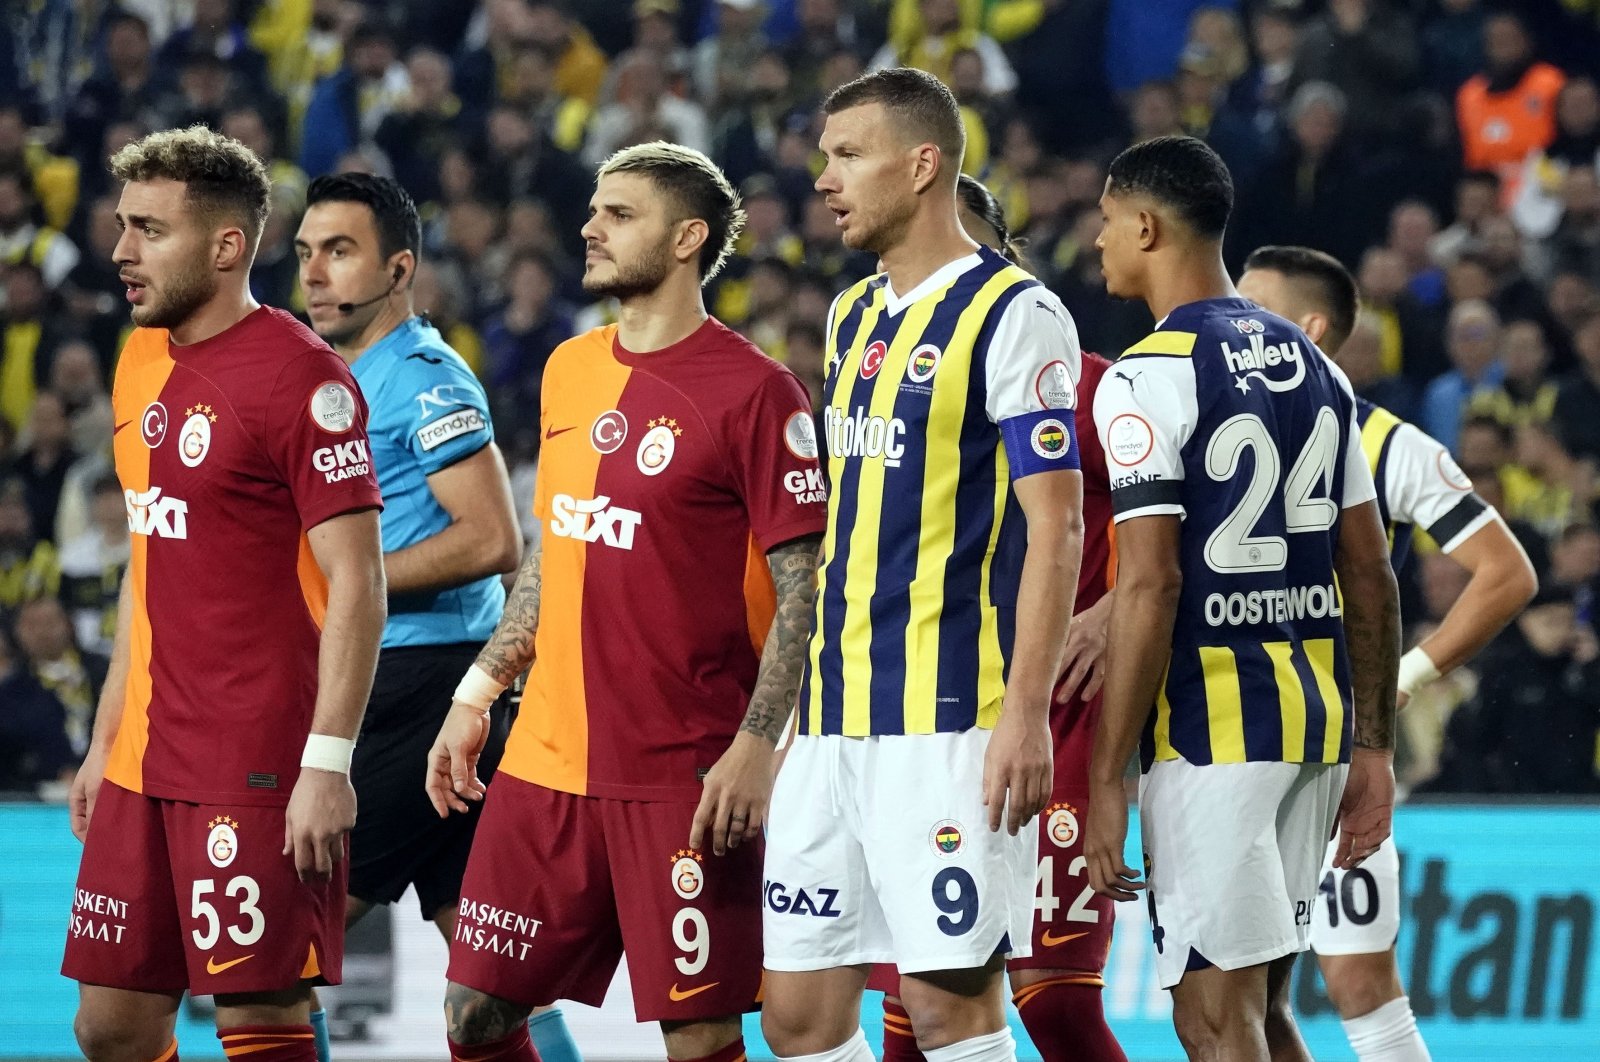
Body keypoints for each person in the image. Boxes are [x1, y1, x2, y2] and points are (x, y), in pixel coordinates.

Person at [428, 141, 828, 1062]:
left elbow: (805, 587)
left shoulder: (759, 394)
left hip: (680, 774)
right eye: (594, 210)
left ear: (687, 238)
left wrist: (758, 745)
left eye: (618, 214)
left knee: (697, 1032)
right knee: (475, 1015)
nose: (588, 227)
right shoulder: (570, 367)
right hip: (544, 763)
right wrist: (478, 692)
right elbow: (552, 549)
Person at [762, 68, 1086, 1062]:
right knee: (799, 1022)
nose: (823, 178)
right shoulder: (851, 315)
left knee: (949, 1010)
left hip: (948, 725)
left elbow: (1057, 530)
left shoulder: (1014, 313)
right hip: (831, 723)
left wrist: (1024, 714)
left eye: (847, 155)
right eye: (824, 156)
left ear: (923, 163)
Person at [59, 125, 386, 1062]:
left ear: (227, 246)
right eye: (123, 226)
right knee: (112, 1027)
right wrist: (105, 735)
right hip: (145, 755)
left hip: (253, 758)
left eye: (150, 230)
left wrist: (329, 762)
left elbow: (360, 584)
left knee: (261, 1014)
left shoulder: (302, 379)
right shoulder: (140, 357)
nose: (122, 251)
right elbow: (150, 559)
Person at [1083, 135, 1401, 1062]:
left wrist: (1109, 779)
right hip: (1313, 726)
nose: (1099, 241)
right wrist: (1373, 744)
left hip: (1211, 736)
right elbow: (1369, 573)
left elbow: (1150, 581)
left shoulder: (1145, 375)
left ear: (1145, 225)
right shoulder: (1320, 370)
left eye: (1107, 222)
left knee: (1214, 1020)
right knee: (1260, 1008)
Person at [1237, 244, 1537, 1062]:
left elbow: (1506, 572)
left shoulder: (1386, 442)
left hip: (1333, 750)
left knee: (1356, 976)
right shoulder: (1206, 424)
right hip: (1222, 737)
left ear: (1308, 328)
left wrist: (1409, 671)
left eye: (1251, 306)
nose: (1229, 320)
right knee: (1245, 993)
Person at [293, 173, 566, 1062]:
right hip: (408, 686)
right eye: (304, 253)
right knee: (485, 995)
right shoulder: (331, 376)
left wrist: (341, 587)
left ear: (399, 266)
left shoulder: (421, 378)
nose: (316, 274)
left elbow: (492, 539)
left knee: (280, 965)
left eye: (340, 252)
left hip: (422, 685)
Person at [874, 173, 1127, 1062]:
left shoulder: (1086, 388)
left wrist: (1109, 605)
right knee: (918, 1005)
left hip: (1053, 718)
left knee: (1054, 1004)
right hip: (927, 715)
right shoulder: (886, 391)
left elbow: (1180, 517)